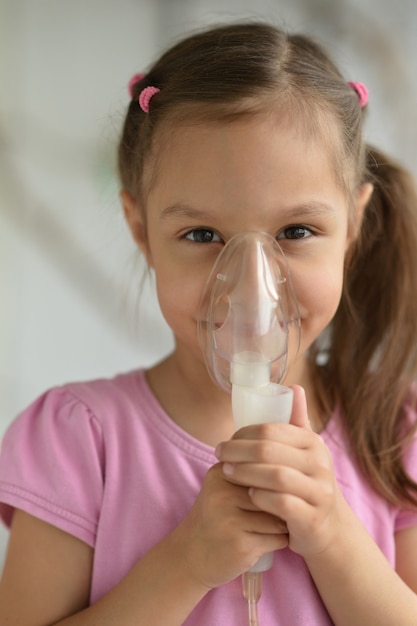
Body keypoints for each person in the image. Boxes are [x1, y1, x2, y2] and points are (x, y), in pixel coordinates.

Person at [1, 21, 417, 626]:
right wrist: (187, 563)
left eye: (296, 232)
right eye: (202, 235)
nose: (251, 286)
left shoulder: (393, 435)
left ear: (352, 226)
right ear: (141, 228)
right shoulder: (80, 443)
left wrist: (331, 532)